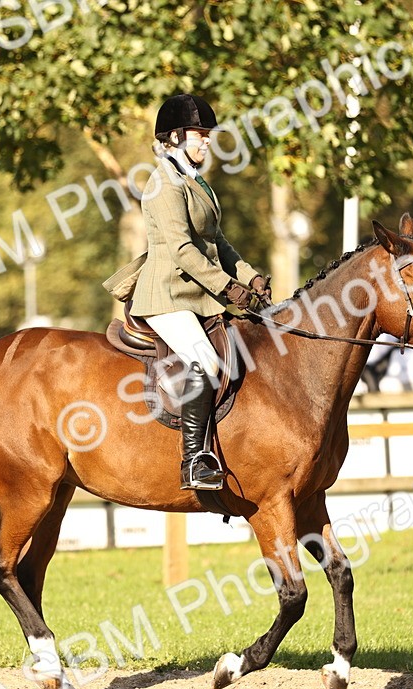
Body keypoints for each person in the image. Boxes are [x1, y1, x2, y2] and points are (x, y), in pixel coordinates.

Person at [123, 94, 271, 491]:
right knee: (205, 362)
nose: (207, 142)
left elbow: (216, 241)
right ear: (174, 137)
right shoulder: (161, 184)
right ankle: (194, 461)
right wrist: (228, 287)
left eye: (208, 135)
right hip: (167, 295)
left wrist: (250, 277)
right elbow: (183, 250)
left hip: (197, 295)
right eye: (200, 134)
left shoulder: (192, 178)